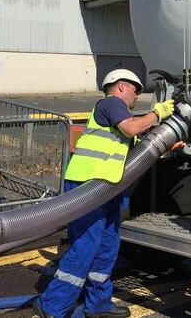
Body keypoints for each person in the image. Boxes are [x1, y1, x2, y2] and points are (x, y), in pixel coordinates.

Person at [33, 69, 175, 318]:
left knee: (107, 246)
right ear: (121, 86)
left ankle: (98, 304)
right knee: (85, 246)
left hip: (108, 189)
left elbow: (135, 149)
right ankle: (52, 305)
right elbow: (132, 128)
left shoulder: (118, 114)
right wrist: (158, 112)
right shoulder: (111, 104)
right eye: (135, 90)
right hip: (87, 187)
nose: (136, 96)